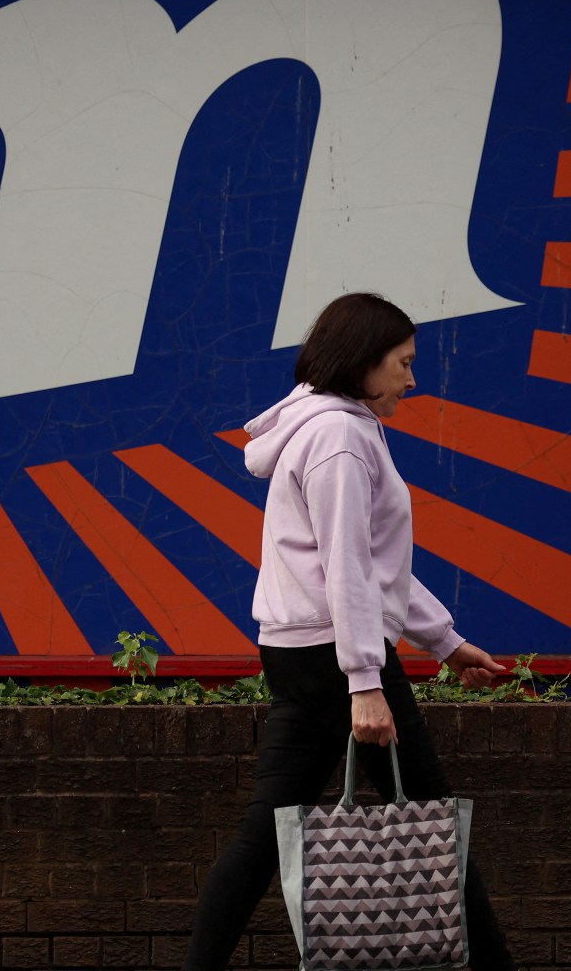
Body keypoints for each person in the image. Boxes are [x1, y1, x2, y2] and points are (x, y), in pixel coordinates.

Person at [182, 292, 516, 971]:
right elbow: (347, 570)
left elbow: (369, 567)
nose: (411, 379)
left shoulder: (333, 427)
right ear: (365, 361)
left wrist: (445, 644)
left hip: (303, 650)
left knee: (264, 834)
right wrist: (366, 681)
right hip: (336, 657)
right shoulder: (339, 438)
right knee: (432, 818)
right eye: (402, 362)